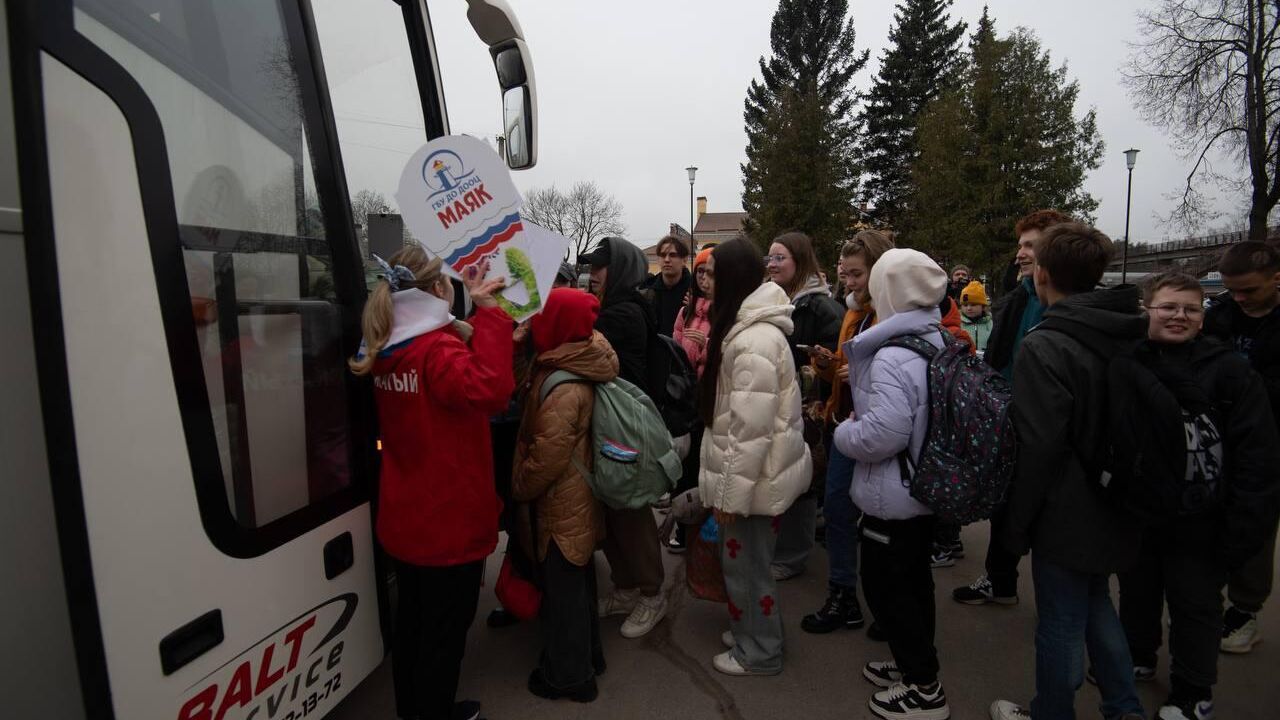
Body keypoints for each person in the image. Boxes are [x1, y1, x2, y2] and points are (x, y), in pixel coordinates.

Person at [990, 222, 1146, 720]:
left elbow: (1037, 446)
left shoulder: (1047, 343)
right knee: (1098, 604)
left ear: (1043, 273)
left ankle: (1051, 712)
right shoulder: (1128, 327)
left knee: (1059, 622)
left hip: (1065, 507)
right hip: (1115, 495)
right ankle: (1124, 708)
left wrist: (1015, 523)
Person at [348, 247, 512, 720]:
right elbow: (490, 390)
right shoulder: (436, 350)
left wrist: (470, 324)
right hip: (447, 523)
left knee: (414, 630)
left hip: (406, 518)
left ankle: (418, 709)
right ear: (439, 290)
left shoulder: (386, 344)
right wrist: (492, 317)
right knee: (443, 636)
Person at [1115, 271, 1280, 720]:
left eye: (1191, 308)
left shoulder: (1230, 371)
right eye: (1169, 307)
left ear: (1203, 318)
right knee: (1137, 592)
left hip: (1203, 517)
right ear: (1147, 309)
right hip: (1142, 511)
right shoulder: (1127, 361)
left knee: (1196, 607)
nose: (1180, 316)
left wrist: (1244, 526)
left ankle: (1192, 691)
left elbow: (1256, 454)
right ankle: (1138, 657)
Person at [835, 248, 952, 720]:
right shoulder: (935, 338)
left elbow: (882, 434)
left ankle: (925, 690)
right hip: (922, 488)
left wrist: (845, 432)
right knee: (915, 585)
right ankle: (913, 664)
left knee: (888, 590)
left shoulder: (892, 356)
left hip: (894, 492)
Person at [698, 237, 811, 676]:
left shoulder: (752, 342)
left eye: (715, 274)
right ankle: (752, 629)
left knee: (747, 567)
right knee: (745, 563)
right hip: (757, 477)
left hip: (751, 481)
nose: (707, 283)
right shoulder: (748, 330)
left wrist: (729, 497)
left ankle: (760, 650)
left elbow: (749, 432)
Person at [953, 209, 1073, 607]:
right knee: (1006, 506)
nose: (1020, 254)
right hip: (1009, 417)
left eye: (1030, 246)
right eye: (1020, 245)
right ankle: (1001, 581)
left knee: (1043, 516)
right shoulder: (1020, 296)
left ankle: (1060, 608)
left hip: (1042, 427)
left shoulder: (1060, 304)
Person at [513, 288, 617, 703]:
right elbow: (526, 386)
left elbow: (547, 459)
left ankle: (570, 678)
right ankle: (590, 657)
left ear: (555, 326)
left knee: (563, 593)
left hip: (561, 502)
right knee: (577, 582)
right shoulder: (571, 357)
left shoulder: (563, 385)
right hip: (576, 499)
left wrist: (518, 485)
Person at [802, 230, 895, 636]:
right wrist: (827, 365)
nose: (850, 282)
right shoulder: (853, 313)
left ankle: (888, 608)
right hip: (845, 425)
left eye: (858, 274)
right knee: (839, 510)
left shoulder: (893, 314)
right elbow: (844, 364)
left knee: (882, 524)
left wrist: (857, 372)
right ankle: (844, 596)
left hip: (881, 432)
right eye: (847, 274)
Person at [580, 236, 668, 639]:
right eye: (592, 268)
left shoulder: (624, 314)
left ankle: (652, 594)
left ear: (622, 272)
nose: (593, 275)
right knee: (610, 510)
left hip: (624, 426)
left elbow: (586, 356)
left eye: (601, 268)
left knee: (630, 511)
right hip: (607, 423)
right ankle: (626, 588)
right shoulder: (614, 308)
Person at [1202, 240, 1280, 655]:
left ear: (1276, 279)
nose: (1239, 298)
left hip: (1269, 440)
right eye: (1232, 290)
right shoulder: (1221, 317)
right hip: (1218, 434)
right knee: (1210, 513)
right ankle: (1206, 594)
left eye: (1249, 290)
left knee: (1256, 520)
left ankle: (1246, 608)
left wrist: (1239, 387)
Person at [765, 231, 844, 582]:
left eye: (780, 257)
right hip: (786, 402)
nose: (772, 263)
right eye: (770, 257)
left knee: (802, 482)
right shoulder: (780, 299)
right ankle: (786, 547)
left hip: (810, 408)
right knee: (787, 477)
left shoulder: (820, 306)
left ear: (800, 260)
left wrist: (808, 372)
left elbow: (835, 358)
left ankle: (794, 556)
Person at [666, 246, 716, 553]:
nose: (704, 278)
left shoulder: (727, 311)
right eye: (700, 272)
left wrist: (707, 346)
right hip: (685, 397)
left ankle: (703, 534)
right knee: (684, 467)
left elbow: (730, 356)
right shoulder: (685, 310)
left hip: (708, 399)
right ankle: (684, 529)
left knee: (703, 464)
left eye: (711, 273)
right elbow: (675, 347)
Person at [642, 234, 693, 336]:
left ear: (684, 260)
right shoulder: (646, 290)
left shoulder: (695, 290)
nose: (666, 260)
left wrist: (696, 310)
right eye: (663, 255)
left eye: (672, 255)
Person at [959, 281, 993, 356]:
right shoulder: (957, 324)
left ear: (983, 306)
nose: (969, 308)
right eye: (965, 305)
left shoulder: (991, 324)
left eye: (973, 304)